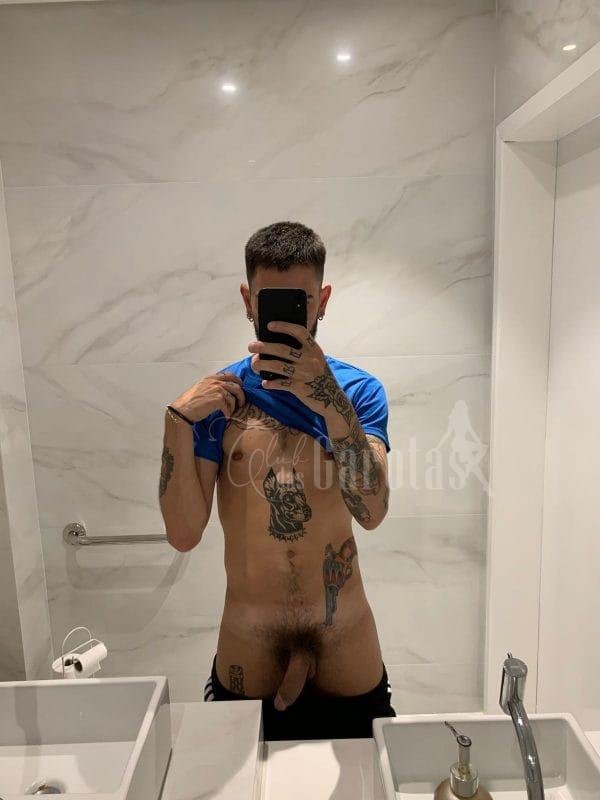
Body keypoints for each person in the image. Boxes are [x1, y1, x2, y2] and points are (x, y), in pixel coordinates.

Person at [159, 220, 396, 740]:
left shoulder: (358, 392)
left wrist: (328, 398)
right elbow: (183, 533)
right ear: (249, 301)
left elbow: (372, 512)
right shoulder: (221, 398)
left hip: (344, 641)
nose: (288, 317)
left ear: (322, 300)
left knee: (366, 778)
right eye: (271, 301)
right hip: (252, 645)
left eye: (301, 301)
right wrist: (176, 422)